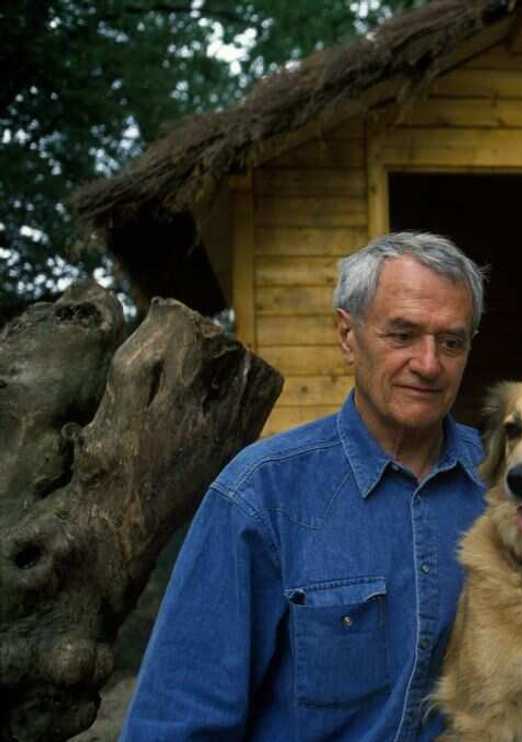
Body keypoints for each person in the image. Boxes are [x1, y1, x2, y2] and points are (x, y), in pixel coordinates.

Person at [122, 232, 488, 741]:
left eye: (451, 342)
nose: (428, 364)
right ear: (347, 336)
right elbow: (177, 722)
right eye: (402, 335)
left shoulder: (508, 490)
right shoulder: (260, 495)